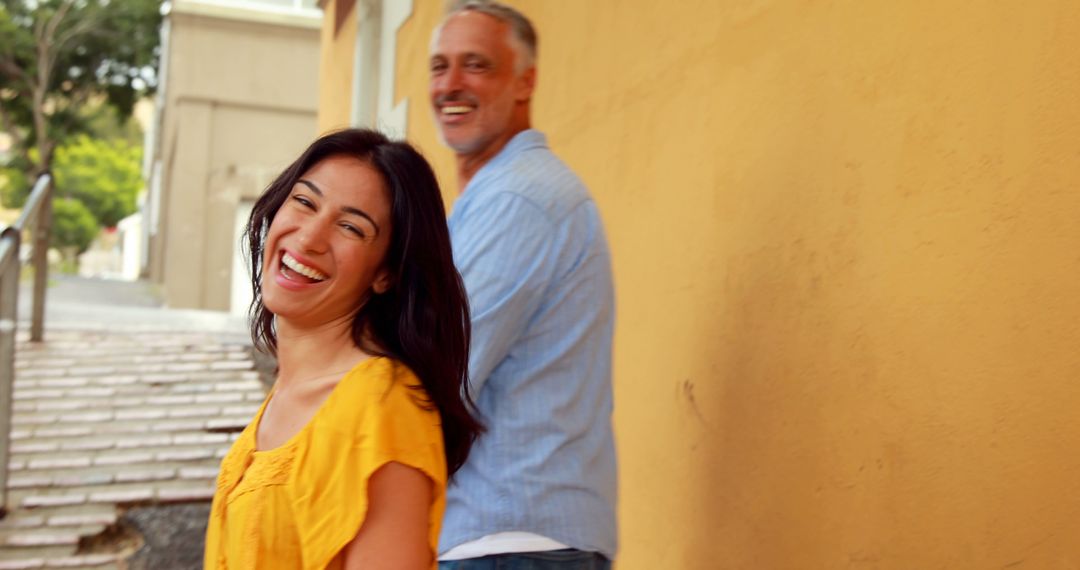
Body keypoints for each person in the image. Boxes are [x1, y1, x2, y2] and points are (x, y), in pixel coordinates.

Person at [204, 128, 484, 570]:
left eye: (351, 227)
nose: (310, 237)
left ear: (386, 273)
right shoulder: (294, 393)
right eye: (304, 202)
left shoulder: (383, 408)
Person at [429, 2, 617, 568]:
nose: (450, 85)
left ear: (524, 80)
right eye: (439, 66)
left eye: (476, 65)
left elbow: (439, 374)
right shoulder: (493, 197)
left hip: (510, 543)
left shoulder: (519, 199)